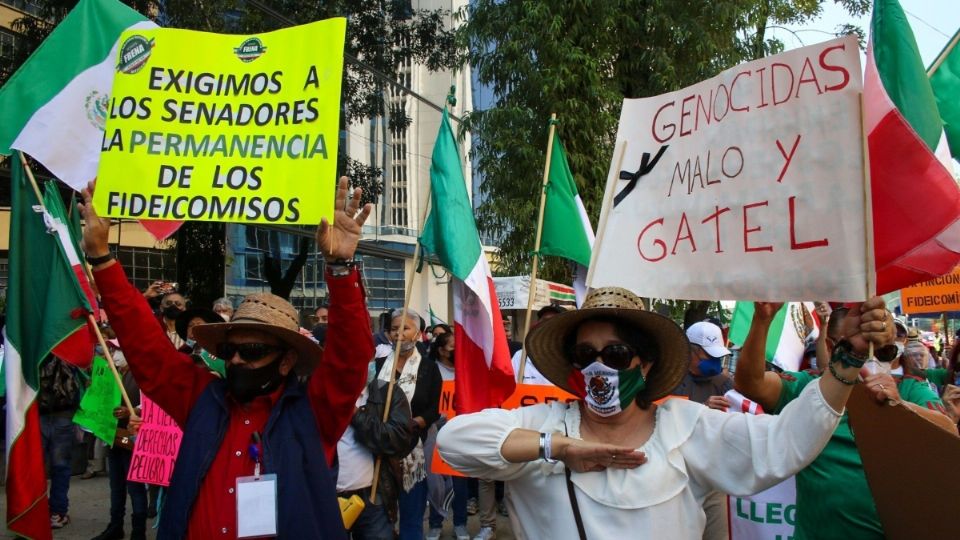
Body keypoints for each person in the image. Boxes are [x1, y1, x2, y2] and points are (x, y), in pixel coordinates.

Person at [438, 288, 882, 539]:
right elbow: (453, 442)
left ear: (644, 363)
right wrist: (557, 448)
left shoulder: (685, 426)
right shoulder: (546, 425)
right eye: (585, 354)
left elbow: (784, 442)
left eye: (615, 353)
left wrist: (845, 362)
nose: (599, 366)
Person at [78, 177, 374, 538]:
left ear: (285, 361)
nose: (235, 361)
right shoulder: (203, 398)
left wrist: (341, 270)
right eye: (229, 350)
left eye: (252, 352)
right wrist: (102, 259)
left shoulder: (313, 415)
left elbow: (350, 359)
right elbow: (148, 352)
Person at [734, 302, 955, 539]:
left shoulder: (911, 388)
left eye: (884, 352)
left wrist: (900, 407)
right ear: (831, 346)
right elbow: (751, 384)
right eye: (857, 346)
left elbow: (948, 433)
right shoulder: (808, 388)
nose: (870, 359)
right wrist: (762, 319)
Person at [375, 307, 442, 540]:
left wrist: (413, 424)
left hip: (412, 453)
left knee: (411, 522)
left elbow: (434, 409)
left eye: (405, 328)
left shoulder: (428, 367)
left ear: (418, 333)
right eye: (394, 329)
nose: (398, 333)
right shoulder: (379, 363)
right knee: (380, 520)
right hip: (378, 453)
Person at [670, 320, 734, 540]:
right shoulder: (668, 380)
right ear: (692, 352)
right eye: (710, 355)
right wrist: (701, 410)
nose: (716, 361)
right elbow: (660, 420)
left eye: (718, 355)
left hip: (713, 477)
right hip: (677, 478)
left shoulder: (724, 383)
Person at [338, 378, 420, 539]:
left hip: (374, 498)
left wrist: (357, 416)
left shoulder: (388, 393)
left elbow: (399, 440)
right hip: (328, 499)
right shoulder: (318, 392)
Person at [91, 343, 148, 540]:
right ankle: (115, 526)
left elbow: (152, 402)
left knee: (135, 488)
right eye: (113, 351)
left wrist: (134, 411)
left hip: (134, 441)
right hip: (113, 437)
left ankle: (138, 532)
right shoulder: (111, 373)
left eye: (118, 351)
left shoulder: (142, 374)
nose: (115, 355)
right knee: (116, 486)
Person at [425, 332, 470, 540]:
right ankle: (435, 523)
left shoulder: (465, 370)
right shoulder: (430, 370)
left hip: (461, 435)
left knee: (460, 484)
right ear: (441, 350)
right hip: (437, 433)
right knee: (438, 483)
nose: (456, 350)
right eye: (452, 346)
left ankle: (460, 524)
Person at [38, 354, 82, 529]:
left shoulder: (37, 351)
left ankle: (36, 511)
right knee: (61, 466)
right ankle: (57, 513)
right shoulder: (68, 350)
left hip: (39, 415)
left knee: (37, 466)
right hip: (63, 415)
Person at [176, 307, 228, 376]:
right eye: (190, 326)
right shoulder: (180, 354)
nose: (193, 329)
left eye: (199, 324)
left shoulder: (224, 353)